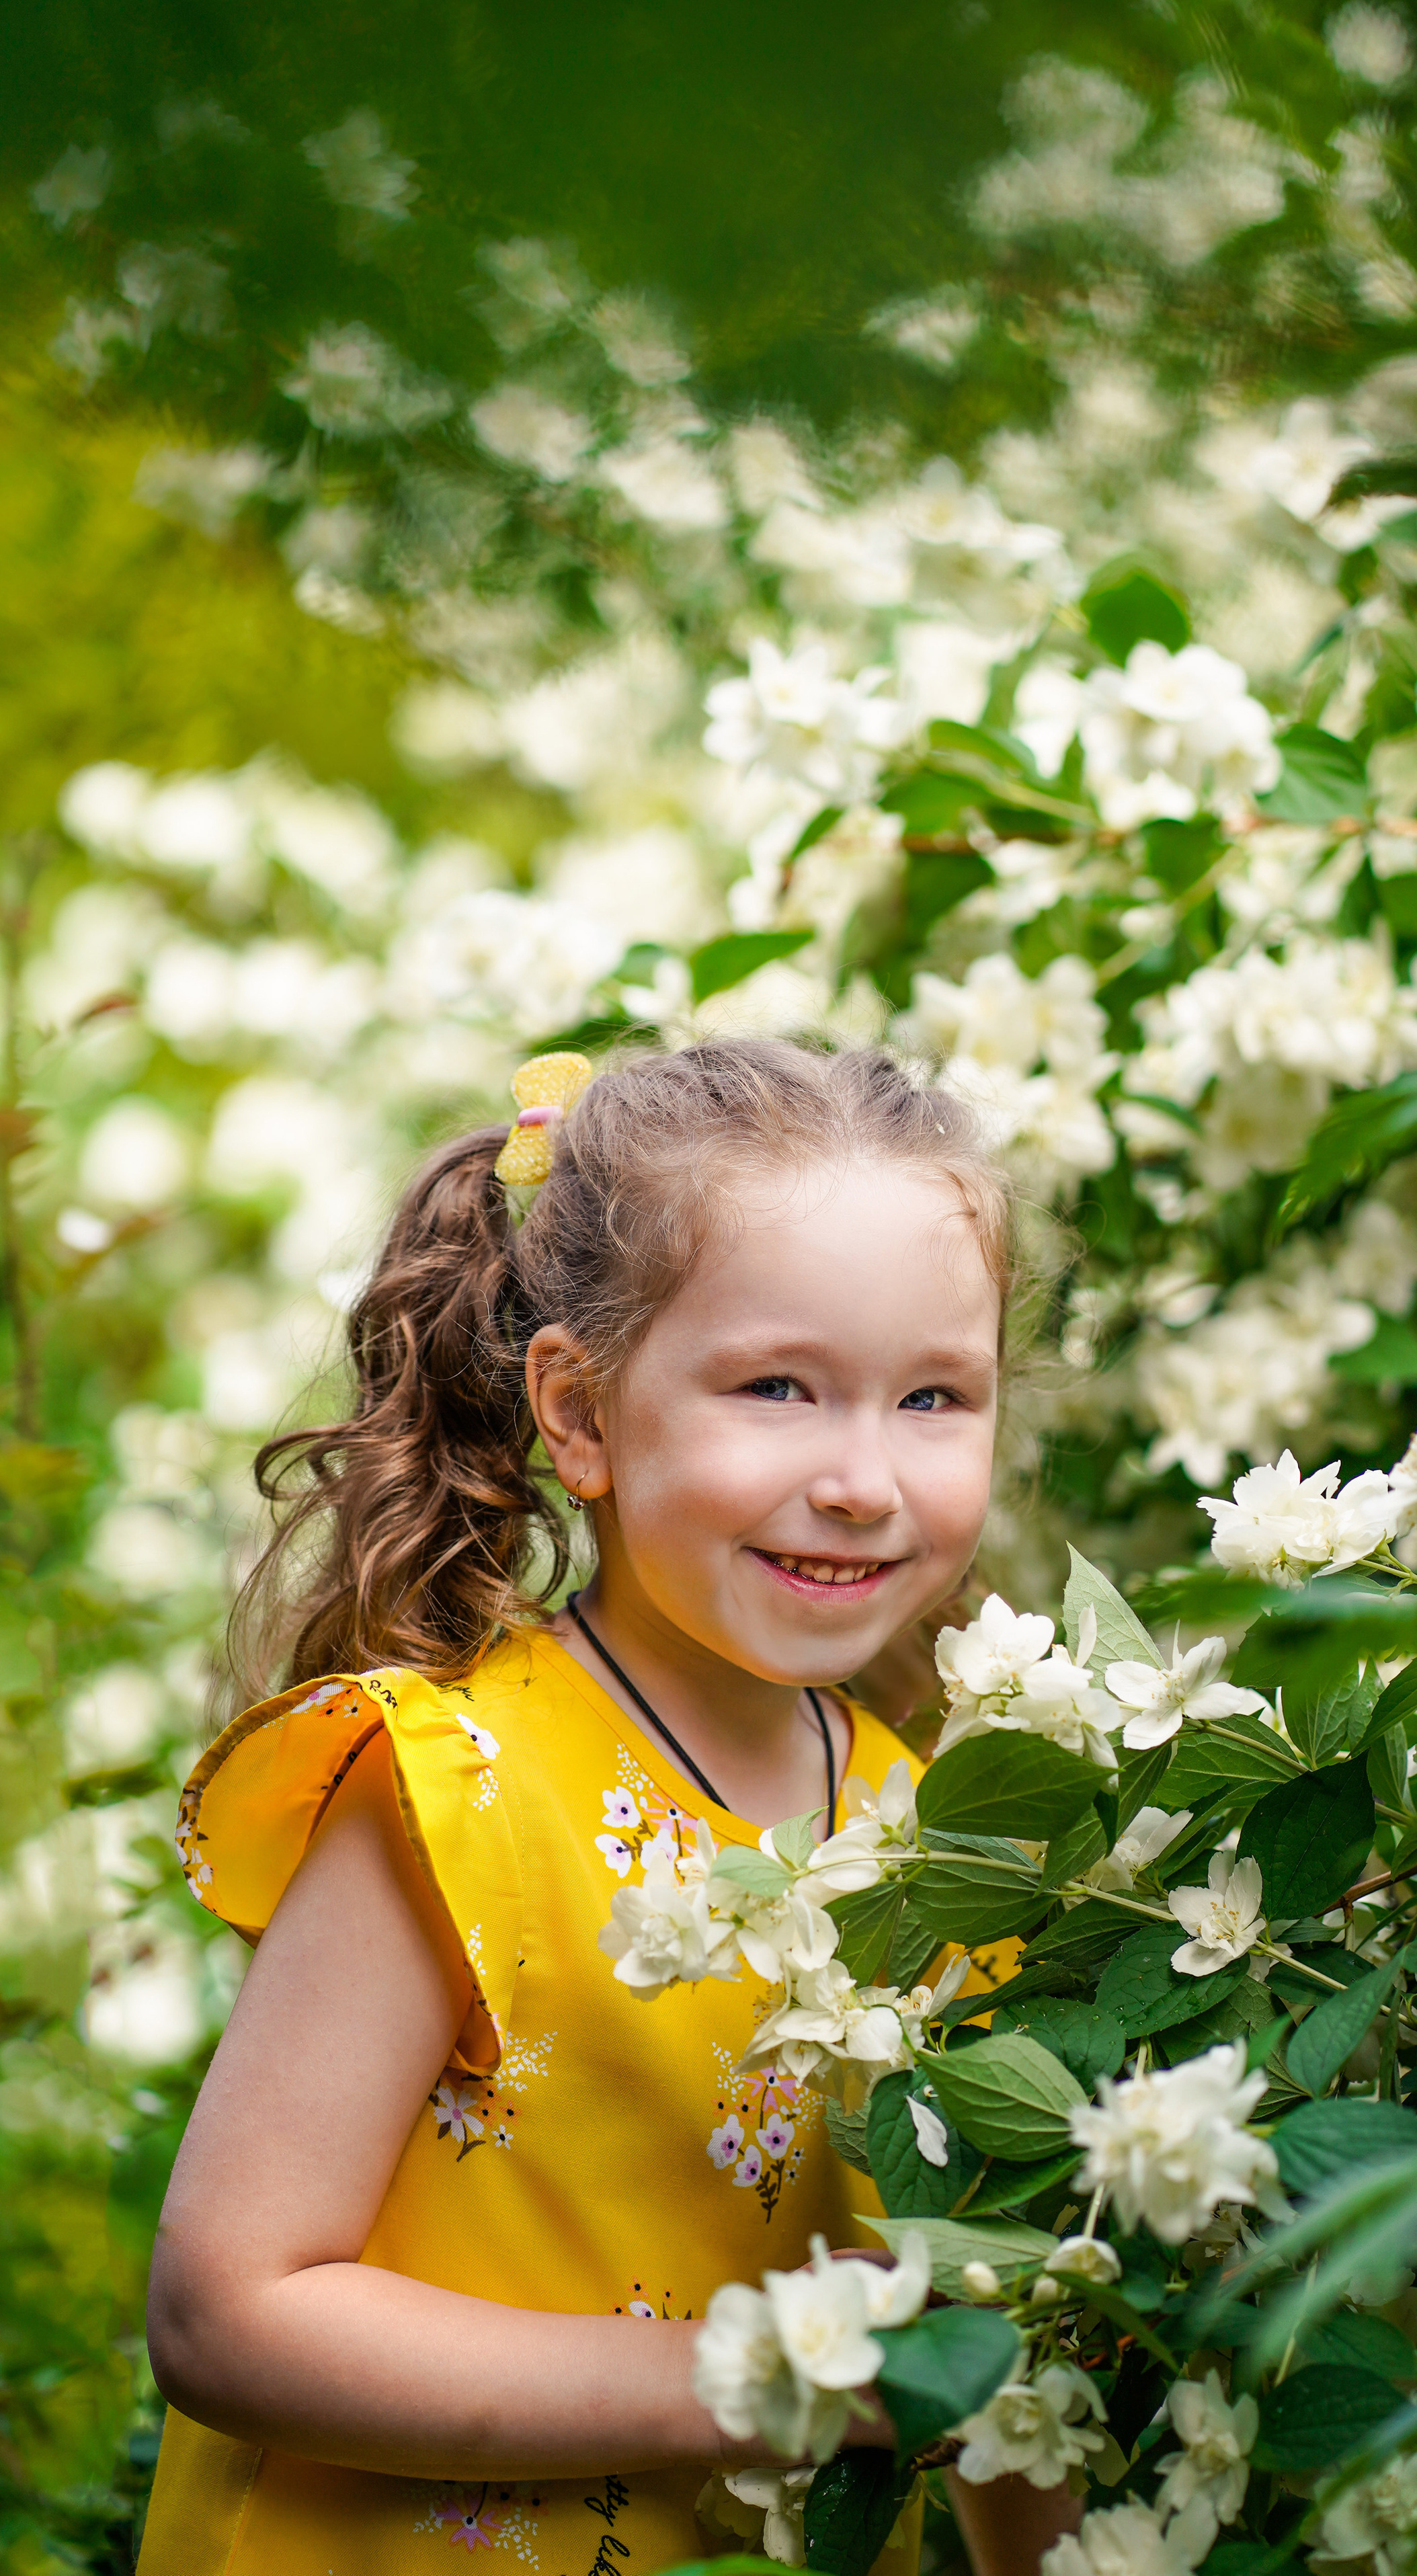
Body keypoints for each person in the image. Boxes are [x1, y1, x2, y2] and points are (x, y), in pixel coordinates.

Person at [139, 1037, 1084, 2576]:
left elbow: (992, 2365)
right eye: (776, 1386)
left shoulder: (951, 1852)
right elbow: (228, 2311)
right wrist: (766, 2376)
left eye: (931, 1398)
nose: (861, 1477)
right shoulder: (454, 1791)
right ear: (577, 1414)